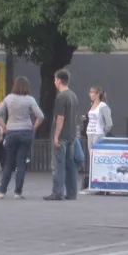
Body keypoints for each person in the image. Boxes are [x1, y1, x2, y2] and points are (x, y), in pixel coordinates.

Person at [0, 76, 45, 199]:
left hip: (11, 132)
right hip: (26, 132)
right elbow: (41, 116)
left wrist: (4, 126)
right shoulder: (30, 100)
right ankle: (17, 192)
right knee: (21, 164)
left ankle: (2, 192)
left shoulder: (9, 98)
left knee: (9, 163)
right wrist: (34, 128)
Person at [46, 69, 79, 201]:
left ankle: (57, 192)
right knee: (70, 164)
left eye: (55, 79)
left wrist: (55, 136)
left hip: (62, 135)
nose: (54, 82)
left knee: (58, 165)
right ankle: (72, 192)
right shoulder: (73, 95)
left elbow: (60, 117)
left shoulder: (61, 97)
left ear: (59, 80)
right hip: (71, 134)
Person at [82, 86, 113, 192]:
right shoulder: (92, 106)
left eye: (92, 92)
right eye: (90, 92)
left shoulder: (102, 106)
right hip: (90, 132)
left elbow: (109, 123)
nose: (90, 94)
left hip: (98, 133)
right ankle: (92, 181)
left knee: (97, 158)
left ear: (97, 94)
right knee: (91, 158)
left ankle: (98, 182)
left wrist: (103, 132)